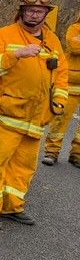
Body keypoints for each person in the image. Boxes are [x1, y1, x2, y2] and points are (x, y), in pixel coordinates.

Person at [0, 0, 68, 230]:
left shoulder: (52, 40)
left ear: (47, 13)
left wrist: (59, 99)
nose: (35, 15)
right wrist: (16, 55)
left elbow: (61, 72)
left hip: (36, 117)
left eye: (40, 11)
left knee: (24, 166)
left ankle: (12, 207)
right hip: (4, 113)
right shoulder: (4, 35)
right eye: (30, 10)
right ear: (22, 11)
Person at [42, 17, 80, 168]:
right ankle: (51, 151)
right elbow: (74, 46)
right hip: (71, 83)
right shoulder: (74, 28)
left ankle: (77, 155)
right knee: (60, 118)